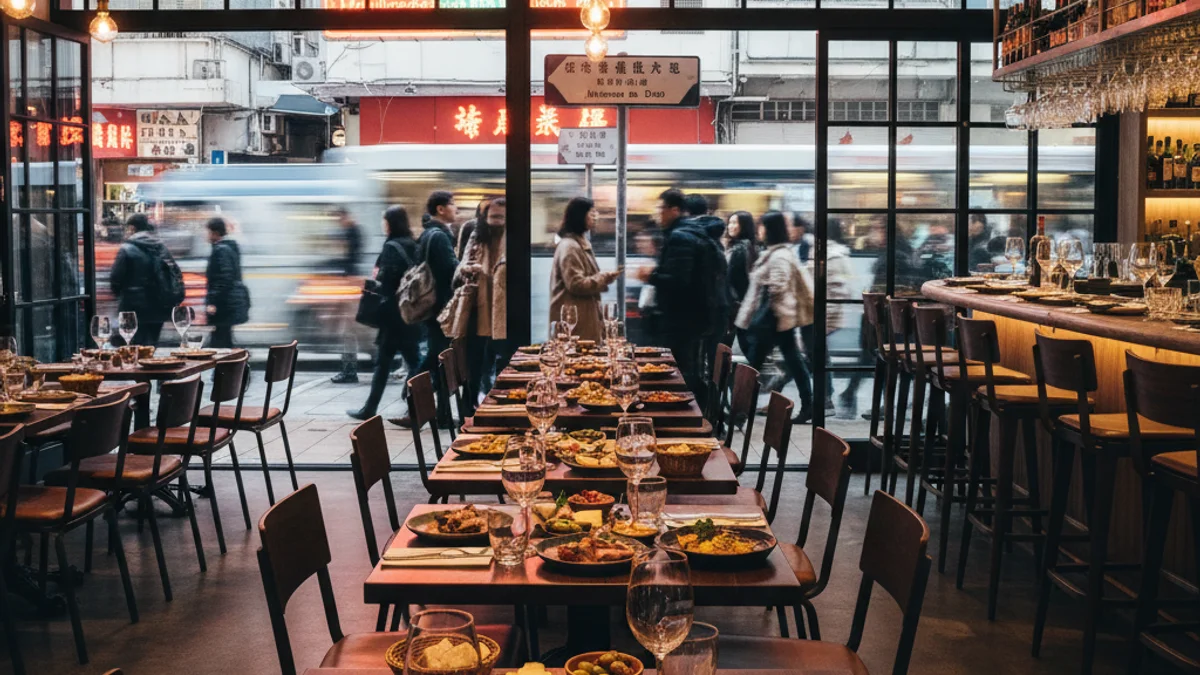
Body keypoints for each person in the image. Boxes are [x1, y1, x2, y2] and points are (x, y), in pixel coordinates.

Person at [636, 189, 724, 398]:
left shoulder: (680, 237)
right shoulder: (692, 232)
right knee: (688, 368)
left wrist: (651, 275)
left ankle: (695, 418)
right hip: (694, 316)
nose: (657, 215)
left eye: (660, 209)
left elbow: (679, 281)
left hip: (682, 318)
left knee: (681, 372)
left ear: (674, 210)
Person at [735, 211, 815, 423]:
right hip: (776, 321)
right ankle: (808, 406)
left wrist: (765, 314)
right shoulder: (776, 253)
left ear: (769, 229)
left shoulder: (779, 256)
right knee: (793, 362)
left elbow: (779, 287)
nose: (759, 230)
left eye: (762, 226)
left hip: (773, 321)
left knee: (752, 367)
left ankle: (739, 413)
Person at [347, 206, 422, 421]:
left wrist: (373, 286)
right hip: (410, 312)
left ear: (390, 223)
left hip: (394, 315)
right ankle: (379, 408)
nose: (382, 224)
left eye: (384, 220)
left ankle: (377, 408)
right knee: (404, 360)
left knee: (394, 362)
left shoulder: (391, 247)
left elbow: (387, 283)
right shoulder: (413, 244)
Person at [392, 190, 459, 428]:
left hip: (434, 309)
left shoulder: (430, 234)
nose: (456, 209)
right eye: (453, 205)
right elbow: (451, 271)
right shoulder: (439, 236)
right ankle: (412, 401)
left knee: (439, 360)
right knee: (434, 359)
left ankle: (439, 415)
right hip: (441, 309)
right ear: (440, 209)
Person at [454, 197, 509, 401]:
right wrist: (467, 270)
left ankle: (501, 403)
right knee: (475, 362)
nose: (497, 221)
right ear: (484, 217)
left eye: (501, 217)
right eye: (493, 216)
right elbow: (459, 268)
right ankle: (470, 407)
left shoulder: (514, 236)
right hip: (478, 308)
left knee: (504, 360)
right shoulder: (473, 233)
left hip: (505, 310)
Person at [549, 197, 622, 343]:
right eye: (592, 213)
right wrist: (603, 277)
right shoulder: (570, 246)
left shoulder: (577, 243)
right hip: (576, 322)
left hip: (582, 319)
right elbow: (576, 284)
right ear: (580, 216)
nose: (596, 217)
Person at [680, 194, 730, 400]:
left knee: (696, 364)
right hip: (718, 307)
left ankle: (705, 409)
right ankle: (717, 407)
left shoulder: (690, 235)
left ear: (685, 211)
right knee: (714, 361)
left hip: (700, 309)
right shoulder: (714, 236)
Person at [110, 213, 177, 346]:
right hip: (159, 307)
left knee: (134, 346)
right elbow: (173, 273)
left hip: (133, 307)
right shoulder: (161, 247)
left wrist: (121, 296)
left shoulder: (127, 249)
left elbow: (116, 279)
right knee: (151, 345)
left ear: (133, 228)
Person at [205, 217, 250, 349]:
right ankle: (229, 366)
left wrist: (213, 302)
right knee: (223, 339)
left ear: (215, 233)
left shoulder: (221, 250)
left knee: (220, 342)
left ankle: (228, 367)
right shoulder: (229, 248)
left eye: (207, 232)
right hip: (229, 302)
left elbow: (224, 278)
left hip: (225, 304)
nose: (206, 235)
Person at [332, 207, 365, 384]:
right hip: (350, 286)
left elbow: (348, 260)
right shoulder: (354, 232)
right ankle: (349, 370)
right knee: (350, 332)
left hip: (350, 287)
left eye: (340, 219)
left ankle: (349, 371)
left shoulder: (352, 233)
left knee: (349, 332)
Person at [725, 210, 757, 358]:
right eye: (730, 222)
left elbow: (733, 277)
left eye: (735, 223)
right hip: (742, 303)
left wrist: (734, 301)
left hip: (735, 303)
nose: (731, 226)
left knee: (727, 345)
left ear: (744, 226)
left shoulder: (739, 248)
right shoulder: (750, 246)